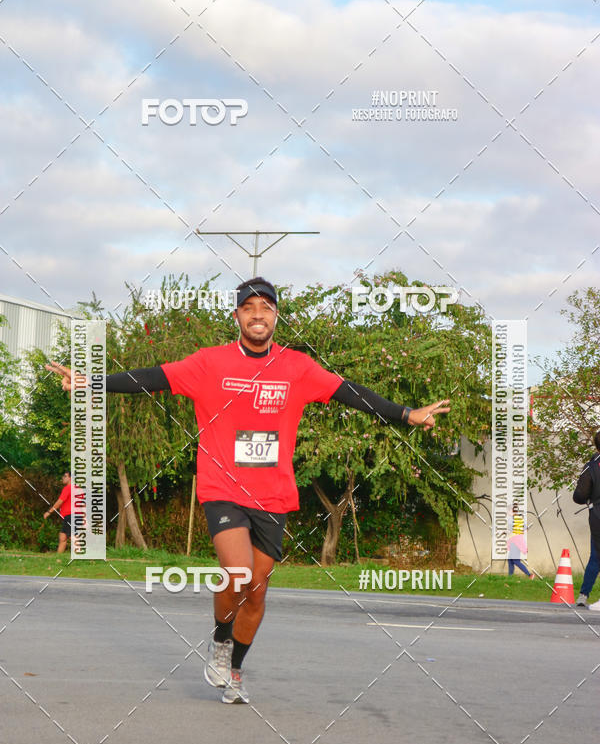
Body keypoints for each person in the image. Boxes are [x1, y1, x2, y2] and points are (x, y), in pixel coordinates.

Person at [46, 277, 450, 704]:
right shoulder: (209, 363)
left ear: (276, 316)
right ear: (237, 316)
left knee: (256, 590)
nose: (258, 314)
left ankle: (235, 668)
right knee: (237, 572)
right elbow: (152, 378)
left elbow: (348, 392)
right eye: (249, 307)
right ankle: (221, 639)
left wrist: (407, 414)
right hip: (222, 487)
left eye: (266, 307)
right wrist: (91, 382)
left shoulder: (297, 367)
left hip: (273, 495)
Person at [572, 430, 600, 608]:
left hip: (598, 516)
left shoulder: (591, 467)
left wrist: (589, 499)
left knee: (596, 556)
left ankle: (583, 594)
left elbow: (579, 495)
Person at [43, 471, 73, 553]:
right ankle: (58, 558)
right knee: (63, 537)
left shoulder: (68, 488)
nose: (63, 478)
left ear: (70, 478)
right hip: (71, 516)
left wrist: (49, 512)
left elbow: (60, 502)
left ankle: (82, 557)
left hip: (70, 516)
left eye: (65, 476)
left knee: (73, 537)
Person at [507, 502, 534, 579]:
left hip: (514, 542)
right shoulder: (518, 519)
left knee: (515, 561)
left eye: (508, 511)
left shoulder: (511, 519)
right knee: (510, 560)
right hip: (517, 542)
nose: (507, 512)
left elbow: (510, 530)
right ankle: (510, 577)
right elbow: (526, 528)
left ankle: (529, 575)